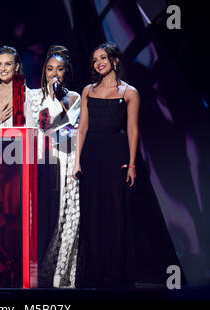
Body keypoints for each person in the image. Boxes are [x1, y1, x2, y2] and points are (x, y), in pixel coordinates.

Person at [73, 41, 140, 288]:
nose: (98, 62)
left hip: (116, 155)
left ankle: (114, 274)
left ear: (114, 60)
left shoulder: (129, 92)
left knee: (114, 212)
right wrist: (77, 161)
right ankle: (95, 273)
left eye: (102, 57)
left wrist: (132, 164)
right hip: (92, 154)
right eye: (94, 59)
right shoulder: (88, 90)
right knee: (93, 212)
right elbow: (83, 128)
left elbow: (132, 130)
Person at [28, 45, 81, 288]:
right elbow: (38, 127)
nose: (54, 74)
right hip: (41, 160)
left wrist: (59, 100)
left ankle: (57, 271)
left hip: (65, 160)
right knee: (39, 214)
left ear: (66, 72)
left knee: (62, 214)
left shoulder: (74, 97)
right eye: (50, 69)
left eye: (59, 69)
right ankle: (34, 268)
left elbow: (69, 127)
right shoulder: (35, 98)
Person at [0, 45, 34, 127]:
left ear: (16, 67)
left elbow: (33, 128)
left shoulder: (29, 95)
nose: (3, 69)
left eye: (8, 64)